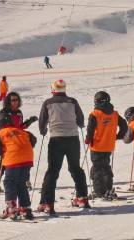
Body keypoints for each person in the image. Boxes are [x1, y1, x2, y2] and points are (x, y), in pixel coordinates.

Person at [37, 79, 90, 214]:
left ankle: (47, 203)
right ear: (64, 89)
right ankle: (82, 197)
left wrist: (43, 130)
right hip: (73, 139)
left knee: (53, 171)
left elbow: (42, 120)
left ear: (53, 89)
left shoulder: (48, 103)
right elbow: (80, 118)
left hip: (56, 139)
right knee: (76, 168)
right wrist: (80, 124)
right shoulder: (72, 101)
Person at [0, 92, 38, 192]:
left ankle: (24, 181)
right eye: (13, 100)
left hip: (18, 140)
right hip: (8, 141)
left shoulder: (19, 112)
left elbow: (20, 127)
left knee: (23, 161)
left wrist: (30, 121)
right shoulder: (4, 112)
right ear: (8, 102)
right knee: (4, 164)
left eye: (17, 100)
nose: (15, 102)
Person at [85, 91, 127, 200]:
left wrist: (88, 139)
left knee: (97, 169)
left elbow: (90, 129)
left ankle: (99, 192)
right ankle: (108, 189)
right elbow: (124, 125)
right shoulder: (114, 114)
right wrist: (118, 136)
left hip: (97, 146)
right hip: (108, 146)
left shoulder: (95, 114)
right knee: (106, 167)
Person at [0, 121, 37, 220]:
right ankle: (25, 208)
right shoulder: (21, 131)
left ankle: (11, 207)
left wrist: (1, 152)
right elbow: (33, 139)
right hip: (27, 157)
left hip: (13, 158)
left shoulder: (0, 133)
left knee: (10, 181)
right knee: (21, 183)